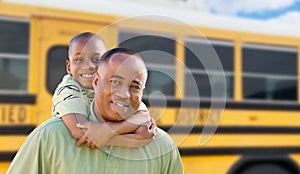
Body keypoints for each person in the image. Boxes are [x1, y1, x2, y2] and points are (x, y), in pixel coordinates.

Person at [7, 48, 184, 174]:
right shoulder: (50, 137)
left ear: (142, 92)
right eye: (115, 81)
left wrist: (106, 133)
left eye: (134, 86)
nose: (123, 94)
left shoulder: (162, 147)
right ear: (96, 81)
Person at [52, 32, 155, 148]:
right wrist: (134, 139)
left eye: (96, 59)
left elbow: (143, 116)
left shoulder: (110, 87)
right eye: (79, 59)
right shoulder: (68, 89)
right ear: (69, 67)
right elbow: (80, 131)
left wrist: (107, 130)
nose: (88, 66)